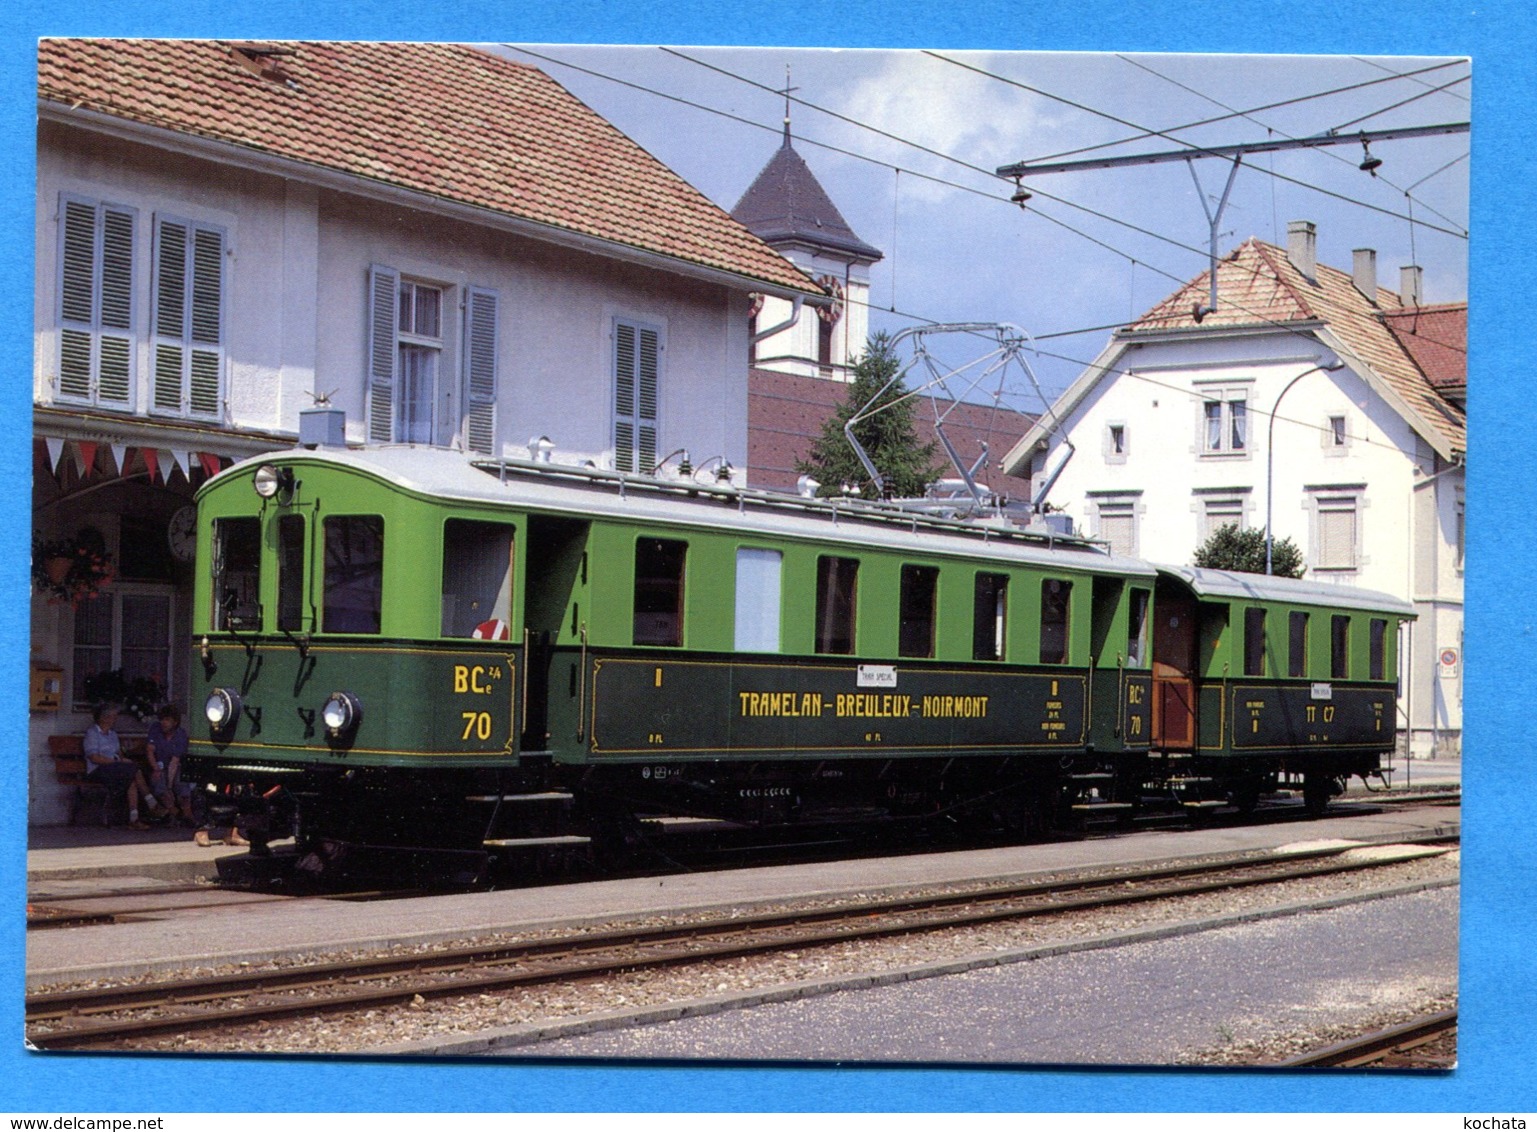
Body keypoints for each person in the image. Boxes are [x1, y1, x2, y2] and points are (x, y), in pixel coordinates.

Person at [82, 703, 162, 829]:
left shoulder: (112, 734)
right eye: (113, 717)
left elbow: (118, 754)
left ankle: (134, 819)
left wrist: (124, 760)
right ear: (104, 718)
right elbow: (94, 757)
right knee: (132, 771)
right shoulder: (92, 733)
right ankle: (151, 803)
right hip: (97, 770)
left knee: (131, 776)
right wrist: (115, 762)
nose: (115, 720)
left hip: (114, 769)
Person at [144, 704, 193, 826]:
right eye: (162, 719)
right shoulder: (155, 729)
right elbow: (150, 750)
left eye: (167, 720)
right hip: (158, 765)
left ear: (175, 722)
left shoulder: (181, 735)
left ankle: (188, 814)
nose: (163, 722)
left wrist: (170, 785)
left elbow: (174, 762)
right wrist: (155, 768)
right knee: (159, 783)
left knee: (181, 782)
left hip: (174, 767)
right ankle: (175, 813)